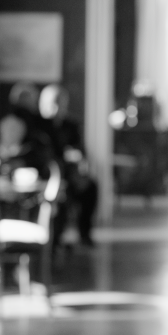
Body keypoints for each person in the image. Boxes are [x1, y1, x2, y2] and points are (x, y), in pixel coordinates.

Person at [40, 85, 98, 247]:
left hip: (70, 173)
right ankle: (55, 241)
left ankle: (84, 233)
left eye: (61, 103)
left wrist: (78, 158)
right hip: (46, 174)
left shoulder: (71, 126)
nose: (58, 108)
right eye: (54, 103)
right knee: (61, 196)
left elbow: (79, 150)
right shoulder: (39, 125)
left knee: (90, 188)